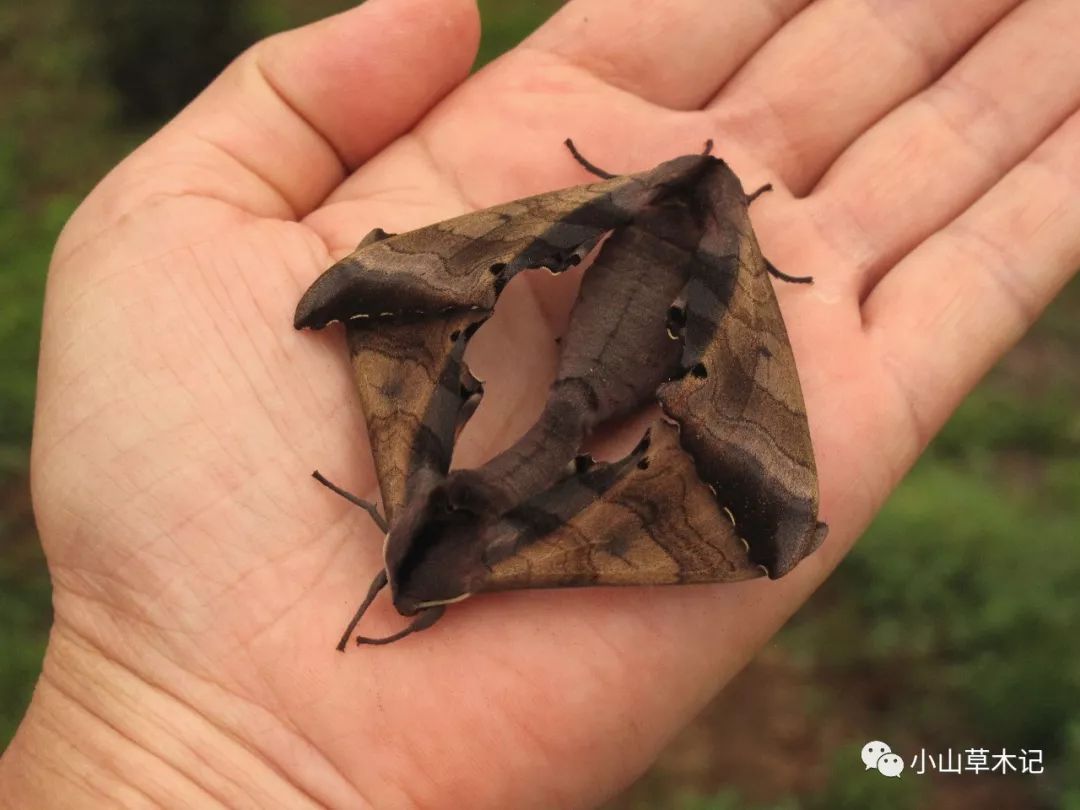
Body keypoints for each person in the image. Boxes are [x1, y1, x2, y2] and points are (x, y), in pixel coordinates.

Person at [1, 0, 1076, 806]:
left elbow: (470, 271)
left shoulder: (666, 230)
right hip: (623, 333)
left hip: (613, 308)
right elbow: (765, 499)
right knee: (717, 462)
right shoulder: (721, 249)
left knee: (541, 362)